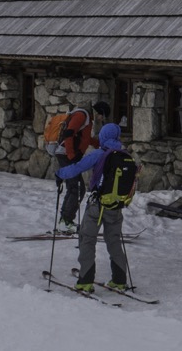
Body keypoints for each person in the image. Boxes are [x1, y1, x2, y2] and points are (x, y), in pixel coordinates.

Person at [54, 121, 137, 292]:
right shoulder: (125, 155)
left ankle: (85, 280)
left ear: (103, 137)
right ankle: (119, 280)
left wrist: (59, 174)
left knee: (87, 239)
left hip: (97, 206)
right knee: (113, 240)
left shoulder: (99, 154)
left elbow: (77, 168)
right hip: (116, 206)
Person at [44, 101, 111, 232]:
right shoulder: (82, 115)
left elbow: (84, 138)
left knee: (75, 187)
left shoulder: (87, 118)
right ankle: (66, 221)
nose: (101, 119)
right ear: (100, 112)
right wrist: (71, 154)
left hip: (68, 154)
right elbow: (68, 133)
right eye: (103, 116)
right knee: (76, 188)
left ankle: (65, 220)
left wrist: (99, 144)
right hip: (65, 154)